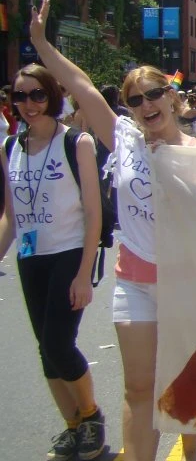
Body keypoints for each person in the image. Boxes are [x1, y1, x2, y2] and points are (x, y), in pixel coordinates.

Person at [28, 0, 196, 461]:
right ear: (127, 109)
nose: (146, 104)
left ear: (171, 96)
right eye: (135, 99)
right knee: (139, 387)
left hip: (185, 282)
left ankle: (191, 455)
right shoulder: (122, 138)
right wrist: (41, 44)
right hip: (134, 283)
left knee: (186, 382)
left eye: (154, 94)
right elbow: (79, 83)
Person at [0, 63, 106, 461]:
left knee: (59, 343)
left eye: (37, 95)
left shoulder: (75, 143)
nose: (28, 104)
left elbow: (93, 213)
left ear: (52, 96)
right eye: (20, 96)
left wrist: (83, 273)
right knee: (45, 349)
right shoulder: (11, 146)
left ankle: (92, 416)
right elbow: (11, 216)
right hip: (31, 257)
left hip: (69, 252)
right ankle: (73, 426)